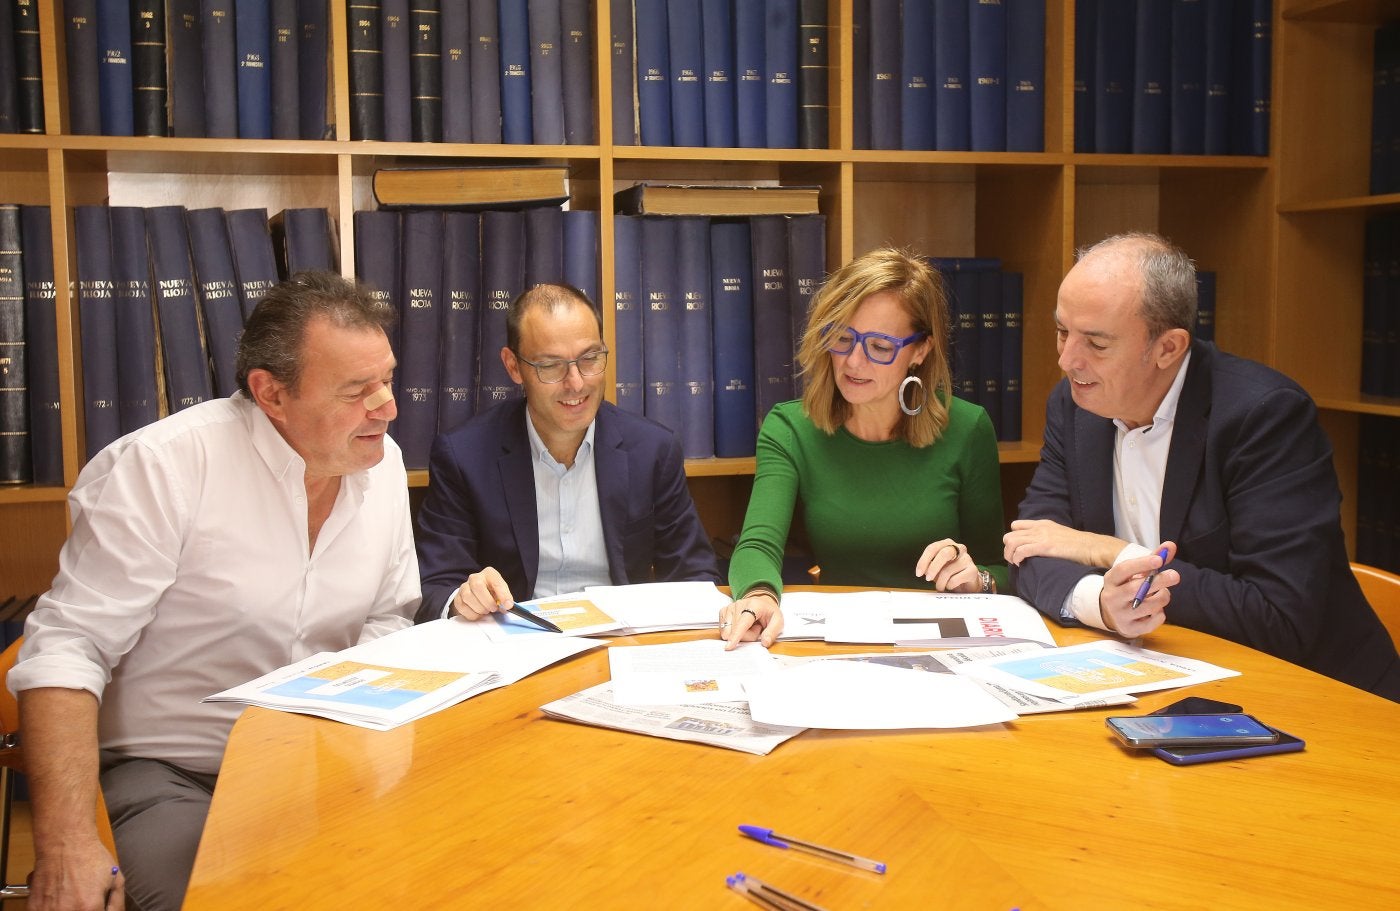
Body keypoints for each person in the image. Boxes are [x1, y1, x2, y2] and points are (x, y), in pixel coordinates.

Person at [9, 271, 421, 911]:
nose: (387, 407)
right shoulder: (163, 468)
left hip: (325, 755)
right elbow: (68, 648)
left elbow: (388, 618)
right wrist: (64, 844)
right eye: (356, 390)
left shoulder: (383, 462)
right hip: (175, 772)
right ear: (271, 394)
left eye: (387, 380)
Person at [1004, 232, 1400, 701]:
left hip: (1323, 699)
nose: (1067, 360)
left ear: (1168, 348)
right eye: (1062, 331)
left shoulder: (1265, 415)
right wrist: (1103, 606)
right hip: (1171, 682)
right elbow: (1030, 550)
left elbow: (1276, 617)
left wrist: (1111, 553)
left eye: (1096, 343)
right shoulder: (1074, 407)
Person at [721, 247, 1008, 647]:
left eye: (879, 346)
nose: (853, 362)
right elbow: (757, 543)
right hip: (838, 642)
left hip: (940, 642)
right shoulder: (791, 428)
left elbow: (998, 565)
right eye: (842, 337)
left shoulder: (967, 428)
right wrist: (758, 594)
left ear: (920, 351)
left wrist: (978, 578)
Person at [415, 283, 720, 622]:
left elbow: (694, 573)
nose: (576, 383)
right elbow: (436, 587)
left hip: (618, 643)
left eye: (590, 358)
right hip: (517, 642)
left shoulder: (652, 450)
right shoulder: (464, 457)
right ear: (514, 366)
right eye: (551, 366)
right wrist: (463, 598)